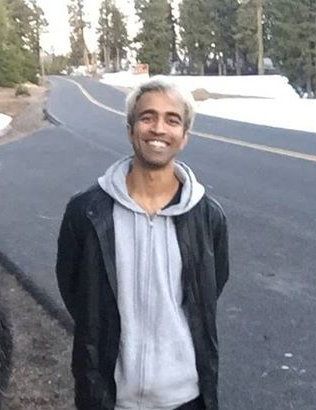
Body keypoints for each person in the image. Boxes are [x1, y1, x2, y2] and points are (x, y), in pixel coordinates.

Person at [56, 75, 229, 410]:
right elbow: (76, 292)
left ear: (184, 136)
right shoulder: (87, 212)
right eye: (147, 117)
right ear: (130, 128)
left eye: (172, 120)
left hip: (185, 397)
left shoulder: (208, 217)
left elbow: (209, 290)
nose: (158, 129)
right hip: (110, 397)